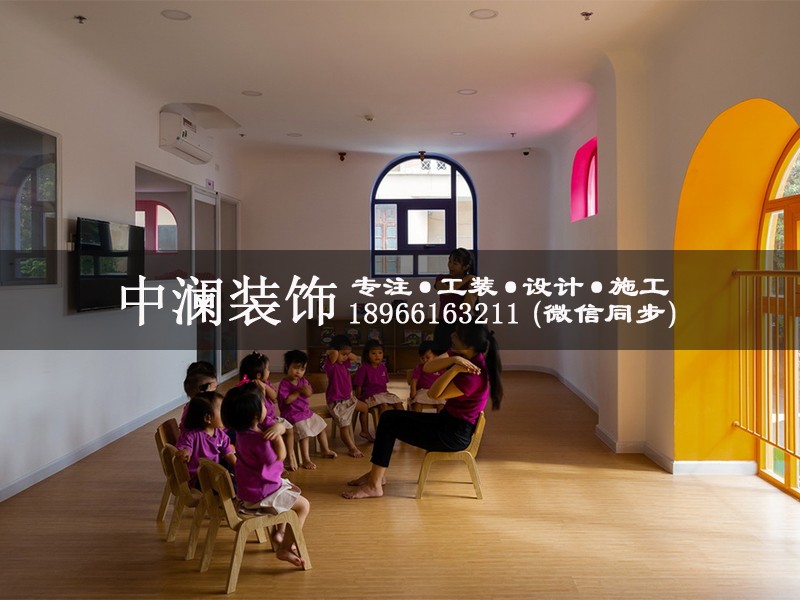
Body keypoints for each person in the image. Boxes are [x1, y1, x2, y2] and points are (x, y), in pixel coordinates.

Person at [343, 323, 502, 500]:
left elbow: (434, 394)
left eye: (457, 335)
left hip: (452, 435)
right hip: (446, 422)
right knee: (388, 417)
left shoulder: (473, 375)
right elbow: (427, 367)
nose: (451, 336)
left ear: (469, 345)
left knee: (389, 421)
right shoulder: (462, 355)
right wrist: (453, 360)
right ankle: (376, 475)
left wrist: (455, 368)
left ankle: (374, 484)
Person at [221, 383, 310, 568]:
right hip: (261, 495)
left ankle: (279, 533)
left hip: (250, 490)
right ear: (255, 415)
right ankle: (285, 548)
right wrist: (277, 437)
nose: (266, 407)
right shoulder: (259, 440)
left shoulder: (242, 432)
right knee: (303, 506)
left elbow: (273, 423)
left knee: (288, 488)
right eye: (263, 404)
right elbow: (280, 456)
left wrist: (278, 427)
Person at [278, 350, 337, 469]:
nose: (298, 372)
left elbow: (309, 393)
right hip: (292, 415)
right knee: (304, 433)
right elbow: (287, 400)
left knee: (321, 425)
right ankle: (306, 459)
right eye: (295, 368)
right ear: (287, 366)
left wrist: (306, 390)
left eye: (302, 369)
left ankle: (325, 449)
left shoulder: (303, 381)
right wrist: (297, 392)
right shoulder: (284, 384)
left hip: (305, 412)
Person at [238, 352, 295, 471]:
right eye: (267, 369)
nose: (269, 371)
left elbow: (274, 397)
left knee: (289, 429)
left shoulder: (265, 383)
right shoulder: (249, 389)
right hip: (262, 420)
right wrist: (262, 392)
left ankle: (290, 455)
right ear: (259, 375)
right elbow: (260, 408)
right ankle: (280, 462)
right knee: (274, 436)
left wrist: (265, 387)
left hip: (268, 418)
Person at [175, 391, 235, 488]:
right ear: (208, 418)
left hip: (214, 472)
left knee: (232, 466)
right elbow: (185, 448)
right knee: (229, 485)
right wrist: (185, 452)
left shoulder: (221, 435)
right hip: (198, 478)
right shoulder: (191, 436)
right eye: (222, 411)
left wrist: (241, 469)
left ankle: (231, 481)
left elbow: (229, 454)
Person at [323, 334, 370, 457]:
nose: (346, 357)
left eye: (346, 354)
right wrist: (333, 351)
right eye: (343, 354)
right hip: (337, 402)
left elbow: (354, 357)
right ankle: (351, 448)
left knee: (365, 408)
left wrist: (344, 353)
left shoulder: (343, 363)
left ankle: (364, 431)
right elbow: (334, 353)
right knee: (344, 427)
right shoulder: (330, 365)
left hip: (349, 398)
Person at [432, 248, 476, 355]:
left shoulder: (472, 282)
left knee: (460, 359)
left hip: (462, 327)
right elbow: (447, 291)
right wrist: (467, 278)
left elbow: (466, 308)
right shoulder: (441, 278)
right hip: (443, 325)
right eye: (450, 261)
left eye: (455, 263)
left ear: (465, 267)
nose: (450, 266)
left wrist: (471, 285)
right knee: (441, 358)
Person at [353, 340, 405, 428]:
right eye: (373, 353)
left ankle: (401, 427)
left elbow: (384, 385)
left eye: (380, 353)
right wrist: (359, 398)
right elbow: (358, 386)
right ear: (367, 354)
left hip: (383, 394)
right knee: (383, 405)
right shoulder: (363, 368)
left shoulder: (383, 367)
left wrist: (387, 396)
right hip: (369, 395)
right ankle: (384, 429)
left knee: (398, 403)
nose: (377, 356)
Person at [408, 340, 446, 412]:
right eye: (422, 358)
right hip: (422, 390)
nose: (425, 360)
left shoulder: (441, 367)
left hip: (436, 391)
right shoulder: (420, 367)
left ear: (436, 356)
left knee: (442, 403)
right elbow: (414, 381)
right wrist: (413, 392)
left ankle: (441, 419)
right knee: (417, 401)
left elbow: (445, 381)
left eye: (427, 357)